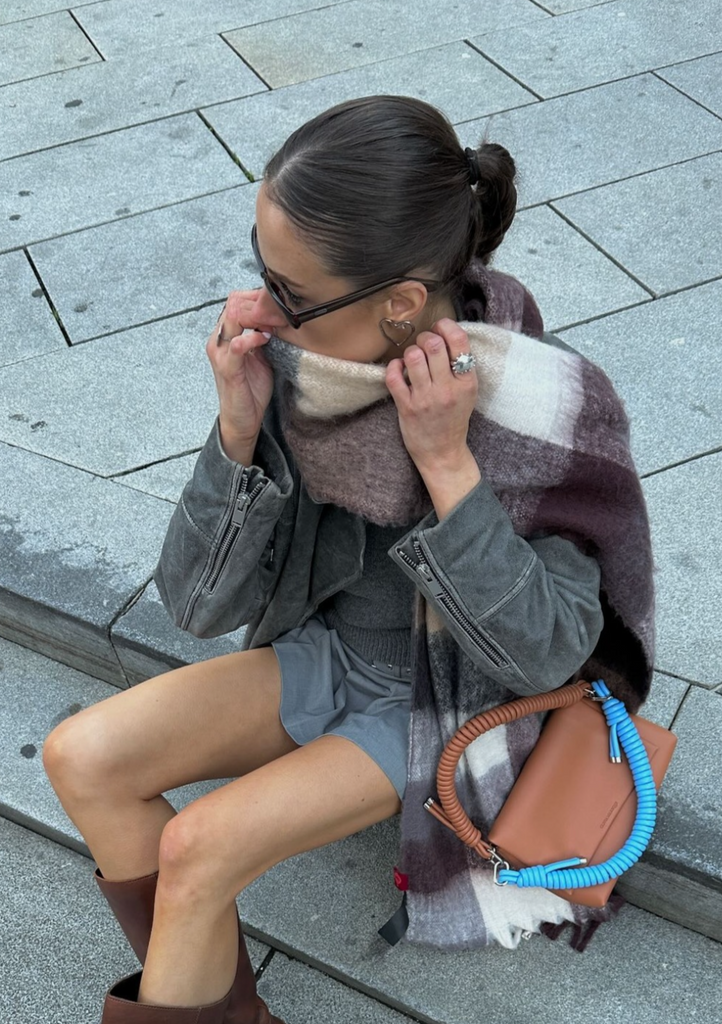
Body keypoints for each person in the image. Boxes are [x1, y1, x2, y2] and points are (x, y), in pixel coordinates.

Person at [42, 95, 654, 1022]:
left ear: (400, 303)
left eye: (289, 293)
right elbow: (196, 606)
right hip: (331, 656)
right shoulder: (306, 374)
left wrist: (447, 467)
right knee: (80, 755)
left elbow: (548, 654)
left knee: (199, 847)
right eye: (261, 270)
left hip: (451, 703)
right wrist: (236, 432)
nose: (260, 307)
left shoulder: (544, 404)